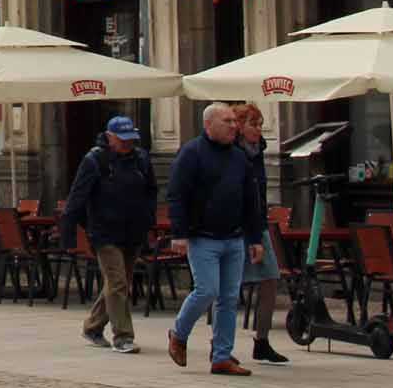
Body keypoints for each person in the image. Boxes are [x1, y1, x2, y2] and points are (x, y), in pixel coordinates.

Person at [168, 102, 266, 374]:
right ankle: (178, 333)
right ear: (209, 124)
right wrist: (179, 232)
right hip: (203, 238)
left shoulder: (239, 157)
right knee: (207, 290)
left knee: (229, 298)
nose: (234, 126)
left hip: (234, 238)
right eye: (227, 121)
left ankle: (222, 356)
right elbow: (176, 194)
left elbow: (251, 200)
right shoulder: (192, 153)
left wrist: (255, 238)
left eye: (235, 121)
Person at [62, 114, 155, 354]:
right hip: (105, 233)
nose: (127, 145)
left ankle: (92, 327)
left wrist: (148, 223)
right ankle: (123, 336)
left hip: (133, 231)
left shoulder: (141, 159)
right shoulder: (95, 160)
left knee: (118, 284)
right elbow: (77, 197)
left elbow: (151, 192)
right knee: (117, 283)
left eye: (131, 140)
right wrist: (70, 234)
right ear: (110, 137)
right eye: (122, 140)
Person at [232, 103, 289, 364]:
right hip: (234, 228)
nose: (258, 129)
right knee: (227, 286)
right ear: (239, 126)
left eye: (260, 124)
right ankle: (219, 344)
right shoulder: (230, 153)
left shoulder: (257, 152)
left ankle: (262, 341)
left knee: (270, 278)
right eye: (253, 124)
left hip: (258, 225)